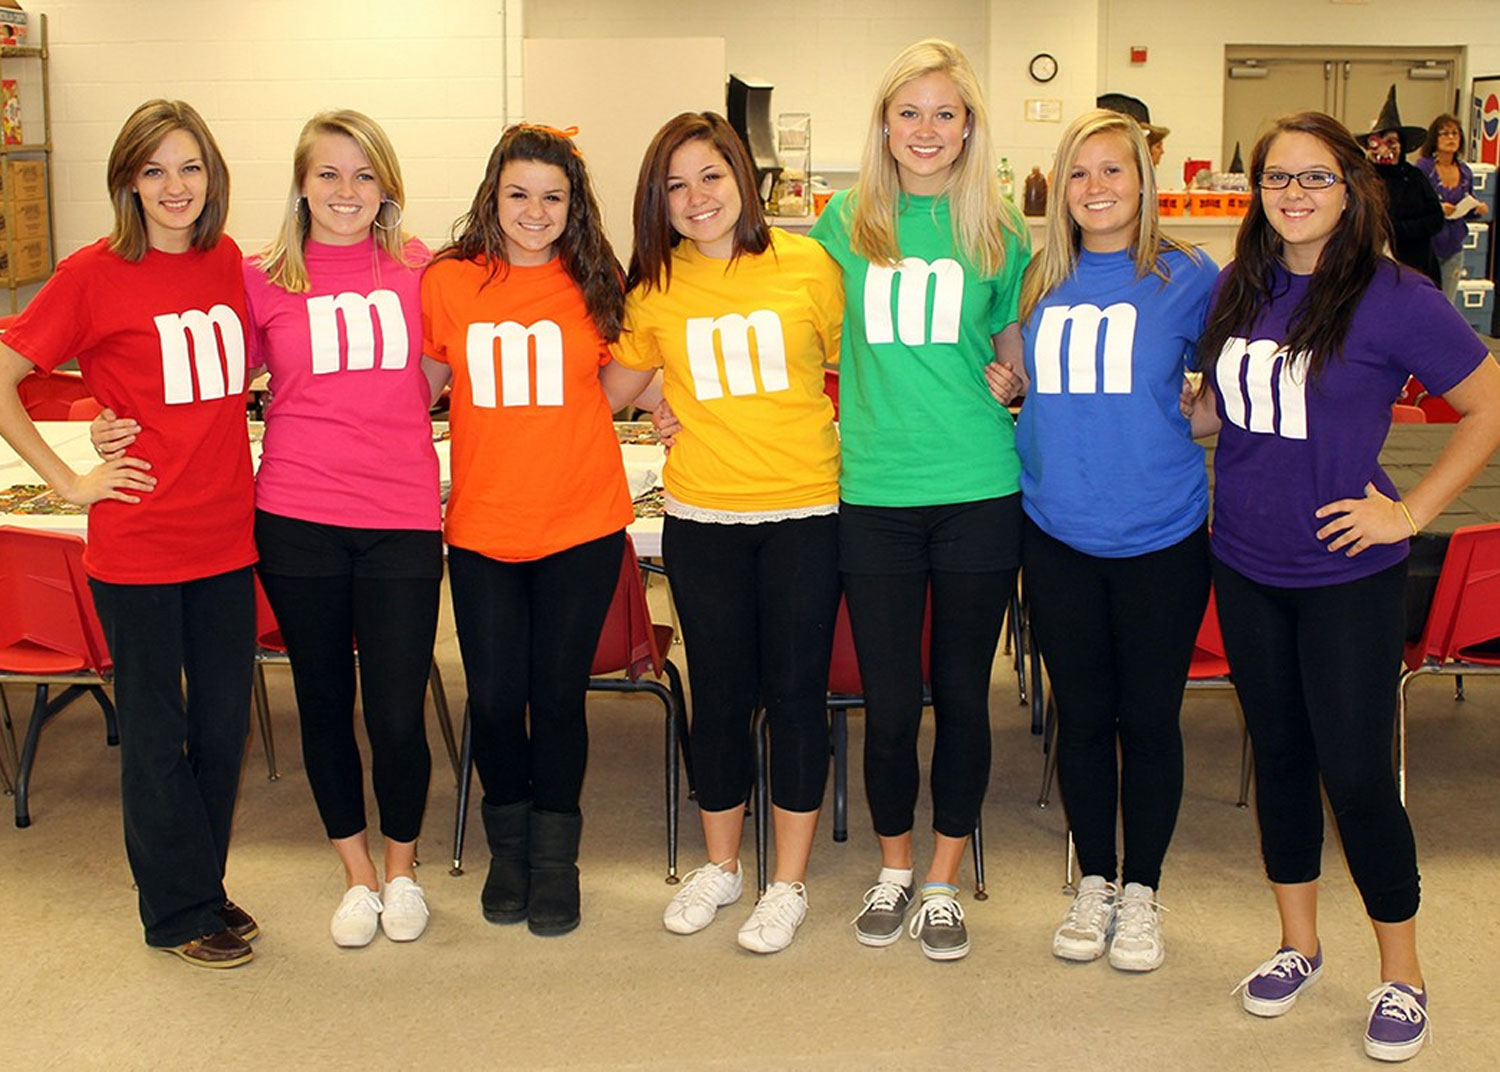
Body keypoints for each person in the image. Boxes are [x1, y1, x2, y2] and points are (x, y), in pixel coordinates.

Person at [1188, 111, 1500, 1061]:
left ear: (1352, 187)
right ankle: (1299, 945)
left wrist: (1410, 513)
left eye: (1314, 177)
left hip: (1348, 577)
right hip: (1246, 562)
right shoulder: (1242, 285)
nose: (1293, 195)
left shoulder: (1396, 296)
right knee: (1280, 760)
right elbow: (1220, 415)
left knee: (1358, 776)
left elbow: (1488, 406)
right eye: (1276, 178)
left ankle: (1403, 975)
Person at [98, 110, 447, 948]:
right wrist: (101, 416)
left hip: (401, 517)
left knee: (397, 713)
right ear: (300, 184)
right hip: (296, 518)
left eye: (364, 174)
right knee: (322, 704)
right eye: (328, 174)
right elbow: (193, 367)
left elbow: (440, 366)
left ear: (387, 185)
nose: (346, 191)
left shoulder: (422, 268)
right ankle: (357, 875)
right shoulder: (257, 276)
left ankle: (402, 870)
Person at [0, 100, 260, 969]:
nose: (174, 186)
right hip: (140, 541)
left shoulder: (228, 262)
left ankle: (204, 884)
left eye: (189, 167)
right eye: (154, 170)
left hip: (226, 537)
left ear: (212, 177)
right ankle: (174, 910)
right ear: (128, 183)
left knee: (222, 728)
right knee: (155, 732)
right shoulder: (93, 273)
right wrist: (70, 478)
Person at [809, 39, 1029, 962]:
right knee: (892, 702)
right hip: (875, 490)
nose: (926, 130)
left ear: (969, 126)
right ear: (885, 124)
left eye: (945, 113)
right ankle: (895, 867)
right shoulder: (844, 220)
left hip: (977, 486)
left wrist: (1016, 376)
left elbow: (1011, 346)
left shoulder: (998, 227)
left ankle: (943, 878)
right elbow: (794, 325)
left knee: (965, 699)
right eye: (910, 113)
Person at [987, 109, 1215, 972]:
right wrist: (1008, 384)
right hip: (1058, 532)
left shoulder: (1189, 276)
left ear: (1143, 181)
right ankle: (1093, 880)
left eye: (1113, 170)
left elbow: (1235, 377)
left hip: (1161, 533)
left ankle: (1143, 890)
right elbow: (1017, 377)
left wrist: (1199, 411)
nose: (1096, 188)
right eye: (1078, 173)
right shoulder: (1038, 278)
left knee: (1149, 718)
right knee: (1081, 718)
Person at [422, 123, 658, 937]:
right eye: (518, 193)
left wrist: (672, 404)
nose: (535, 210)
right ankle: (509, 849)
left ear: (573, 204)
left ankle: (557, 858)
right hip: (483, 525)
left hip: (580, 522)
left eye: (552, 196)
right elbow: (419, 384)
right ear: (492, 195)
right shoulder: (450, 281)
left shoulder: (595, 278)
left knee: (557, 698)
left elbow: (629, 377)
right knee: (493, 698)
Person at [616, 111, 843, 955]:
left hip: (804, 512)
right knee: (716, 695)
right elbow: (608, 387)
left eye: (710, 175)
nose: (695, 197)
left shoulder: (807, 264)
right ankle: (722, 867)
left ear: (742, 176)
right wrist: (656, 401)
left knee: (795, 697)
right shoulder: (655, 284)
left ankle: (788, 882)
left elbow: (866, 365)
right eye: (675, 185)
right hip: (702, 515)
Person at [1362, 85, 1444, 287]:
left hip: (1414, 264)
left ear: (1401, 146)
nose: (1383, 150)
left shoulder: (1414, 177)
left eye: (1391, 142)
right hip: (1369, 268)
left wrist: (1399, 229)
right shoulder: (1361, 178)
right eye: (1376, 143)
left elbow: (1435, 218)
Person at [1415, 113, 1489, 304]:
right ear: (1435, 139)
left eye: (1455, 134)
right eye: (1445, 133)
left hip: (1454, 245)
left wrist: (1477, 209)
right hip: (1428, 245)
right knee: (1424, 299)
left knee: (1447, 302)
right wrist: (1438, 208)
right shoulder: (1423, 168)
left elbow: (1467, 207)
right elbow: (1415, 204)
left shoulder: (1465, 172)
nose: (1451, 138)